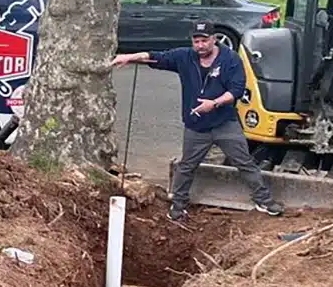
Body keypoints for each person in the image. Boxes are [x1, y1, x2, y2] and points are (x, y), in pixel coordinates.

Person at [112, 19, 283, 220]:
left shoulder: (231, 59)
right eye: (196, 41)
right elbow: (156, 57)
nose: (200, 46)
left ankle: (263, 200)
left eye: (204, 41)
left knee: (244, 162)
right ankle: (178, 205)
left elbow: (236, 90)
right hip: (196, 126)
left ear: (214, 39)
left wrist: (215, 103)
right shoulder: (185, 57)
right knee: (187, 166)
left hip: (224, 123)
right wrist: (129, 57)